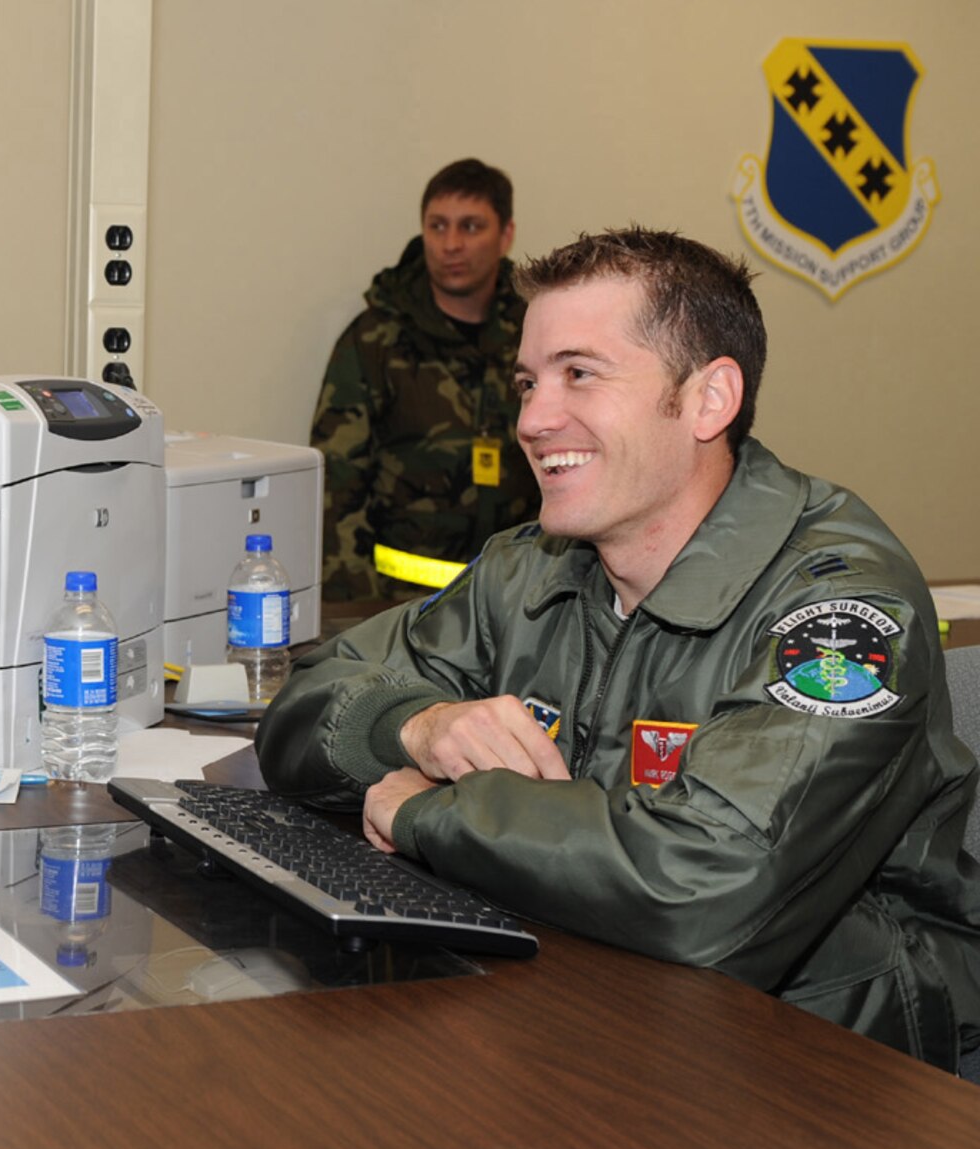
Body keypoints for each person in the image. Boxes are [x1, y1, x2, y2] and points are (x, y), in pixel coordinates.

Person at [259, 227, 980, 1070]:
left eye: (580, 374)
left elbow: (703, 885)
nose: (532, 419)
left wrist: (428, 808)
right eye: (528, 381)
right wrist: (416, 729)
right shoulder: (527, 568)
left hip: (833, 1068)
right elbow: (301, 706)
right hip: (586, 1006)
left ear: (710, 399)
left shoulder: (841, 608)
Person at [310, 157, 540, 600]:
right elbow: (335, 491)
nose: (450, 244)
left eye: (471, 227)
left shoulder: (535, 335)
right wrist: (362, 613)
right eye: (437, 226)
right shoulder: (375, 339)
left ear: (506, 235)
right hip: (397, 607)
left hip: (515, 602)